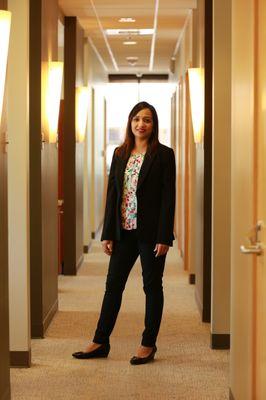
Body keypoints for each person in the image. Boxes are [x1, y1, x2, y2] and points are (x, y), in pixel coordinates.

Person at [72, 101, 176, 365]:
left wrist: (165, 236)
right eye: (137, 119)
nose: (141, 124)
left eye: (147, 120)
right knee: (112, 286)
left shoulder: (164, 155)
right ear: (130, 123)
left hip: (151, 234)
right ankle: (100, 341)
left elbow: (168, 198)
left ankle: (148, 344)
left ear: (154, 125)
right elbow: (113, 195)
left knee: (152, 286)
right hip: (124, 231)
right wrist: (108, 233)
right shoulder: (120, 154)